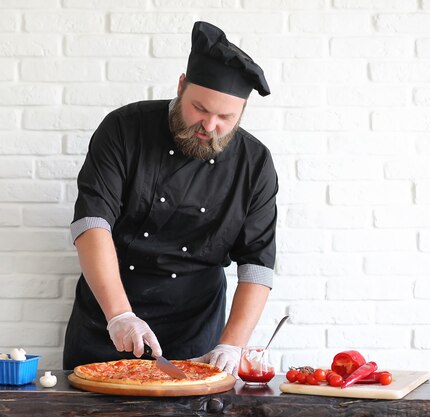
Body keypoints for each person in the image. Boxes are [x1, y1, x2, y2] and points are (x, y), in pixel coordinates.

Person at [63, 21, 278, 376]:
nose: (209, 126)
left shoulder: (254, 164)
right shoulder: (124, 129)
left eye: (226, 117)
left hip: (197, 336)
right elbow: (91, 223)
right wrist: (120, 315)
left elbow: (257, 263)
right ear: (181, 86)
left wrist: (232, 343)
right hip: (108, 322)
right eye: (199, 108)